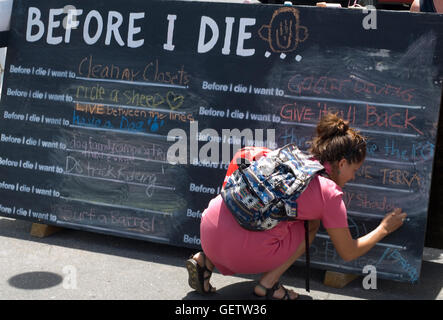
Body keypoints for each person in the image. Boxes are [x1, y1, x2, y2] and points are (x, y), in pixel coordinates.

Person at [185, 113, 407, 300]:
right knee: (310, 225)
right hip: (240, 255)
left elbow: (241, 156)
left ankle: (206, 260)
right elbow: (348, 252)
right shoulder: (328, 193)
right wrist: (384, 228)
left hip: (207, 233)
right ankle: (268, 285)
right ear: (341, 163)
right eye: (355, 169)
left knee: (263, 211)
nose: (353, 176)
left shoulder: (286, 156)